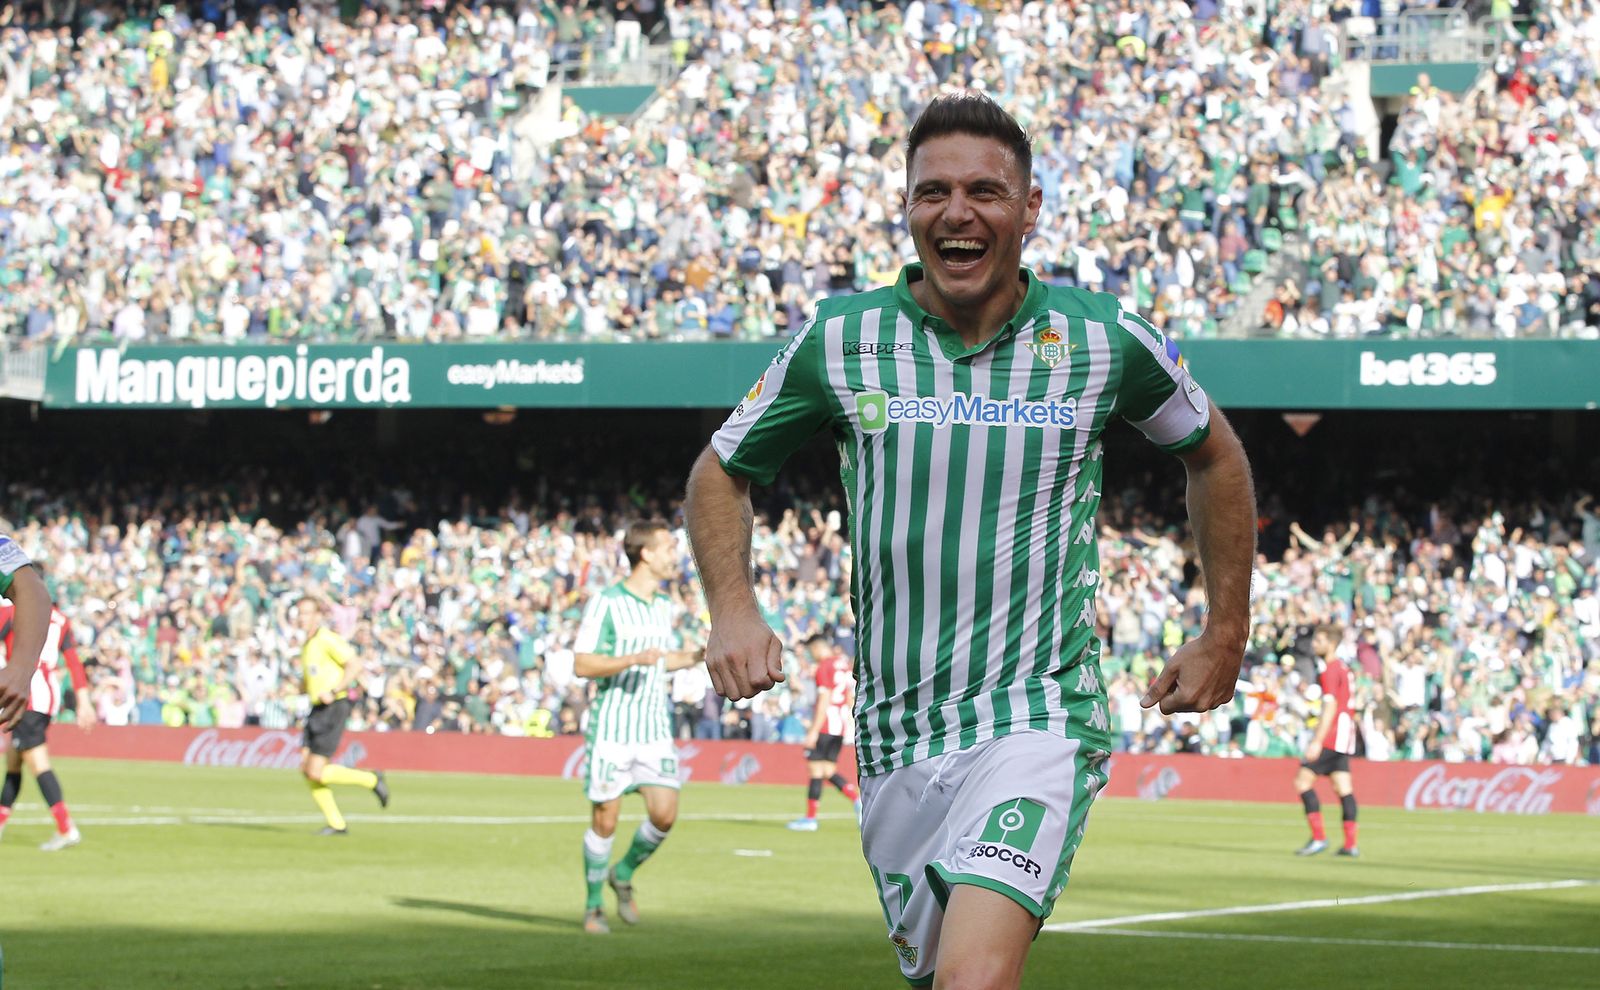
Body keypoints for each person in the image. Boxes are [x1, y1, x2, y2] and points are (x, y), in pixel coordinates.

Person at [685, 91, 1256, 990]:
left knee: (974, 981)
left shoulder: (1102, 340)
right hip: (897, 737)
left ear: (1031, 209)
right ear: (906, 208)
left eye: (986, 192)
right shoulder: (840, 341)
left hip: (1037, 717)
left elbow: (1216, 455)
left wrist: (1226, 630)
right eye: (932, 192)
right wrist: (732, 606)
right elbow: (720, 469)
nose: (957, 213)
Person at [575, 519, 706, 935]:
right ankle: (594, 906)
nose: (675, 553)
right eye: (668, 546)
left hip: (653, 730)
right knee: (606, 821)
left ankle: (624, 871)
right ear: (645, 553)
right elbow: (583, 663)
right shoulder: (607, 602)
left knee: (665, 816)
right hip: (613, 730)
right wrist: (632, 658)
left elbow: (660, 659)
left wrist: (699, 655)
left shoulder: (663, 605)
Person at [0, 600, 95, 850]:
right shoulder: (61, 619)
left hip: (26, 695)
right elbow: (73, 662)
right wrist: (84, 701)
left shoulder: (15, 611)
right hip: (46, 695)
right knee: (13, 761)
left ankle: (66, 828)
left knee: (37, 763)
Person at [297, 598, 389, 836]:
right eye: (299, 613)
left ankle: (371, 780)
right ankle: (336, 824)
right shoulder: (308, 644)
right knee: (306, 768)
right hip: (316, 708)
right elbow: (310, 678)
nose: (301, 618)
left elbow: (355, 664)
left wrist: (336, 689)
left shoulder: (326, 638)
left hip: (334, 706)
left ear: (318, 615)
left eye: (306, 613)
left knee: (315, 771)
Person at [1293, 624, 1360, 857]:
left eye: (1319, 641)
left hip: (1332, 736)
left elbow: (1330, 706)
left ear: (1331, 644)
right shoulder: (1344, 668)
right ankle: (1351, 845)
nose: (1314, 644)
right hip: (1345, 736)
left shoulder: (1330, 669)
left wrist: (1317, 741)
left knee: (1302, 783)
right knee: (1343, 788)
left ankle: (1319, 838)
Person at [787, 633, 860, 831]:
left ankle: (810, 819)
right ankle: (856, 800)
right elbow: (848, 696)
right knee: (827, 770)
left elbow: (824, 700)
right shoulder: (842, 664)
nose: (812, 656)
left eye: (811, 652)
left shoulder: (824, 667)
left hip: (826, 724)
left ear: (818, 648)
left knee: (815, 770)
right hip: (840, 726)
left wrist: (813, 731)